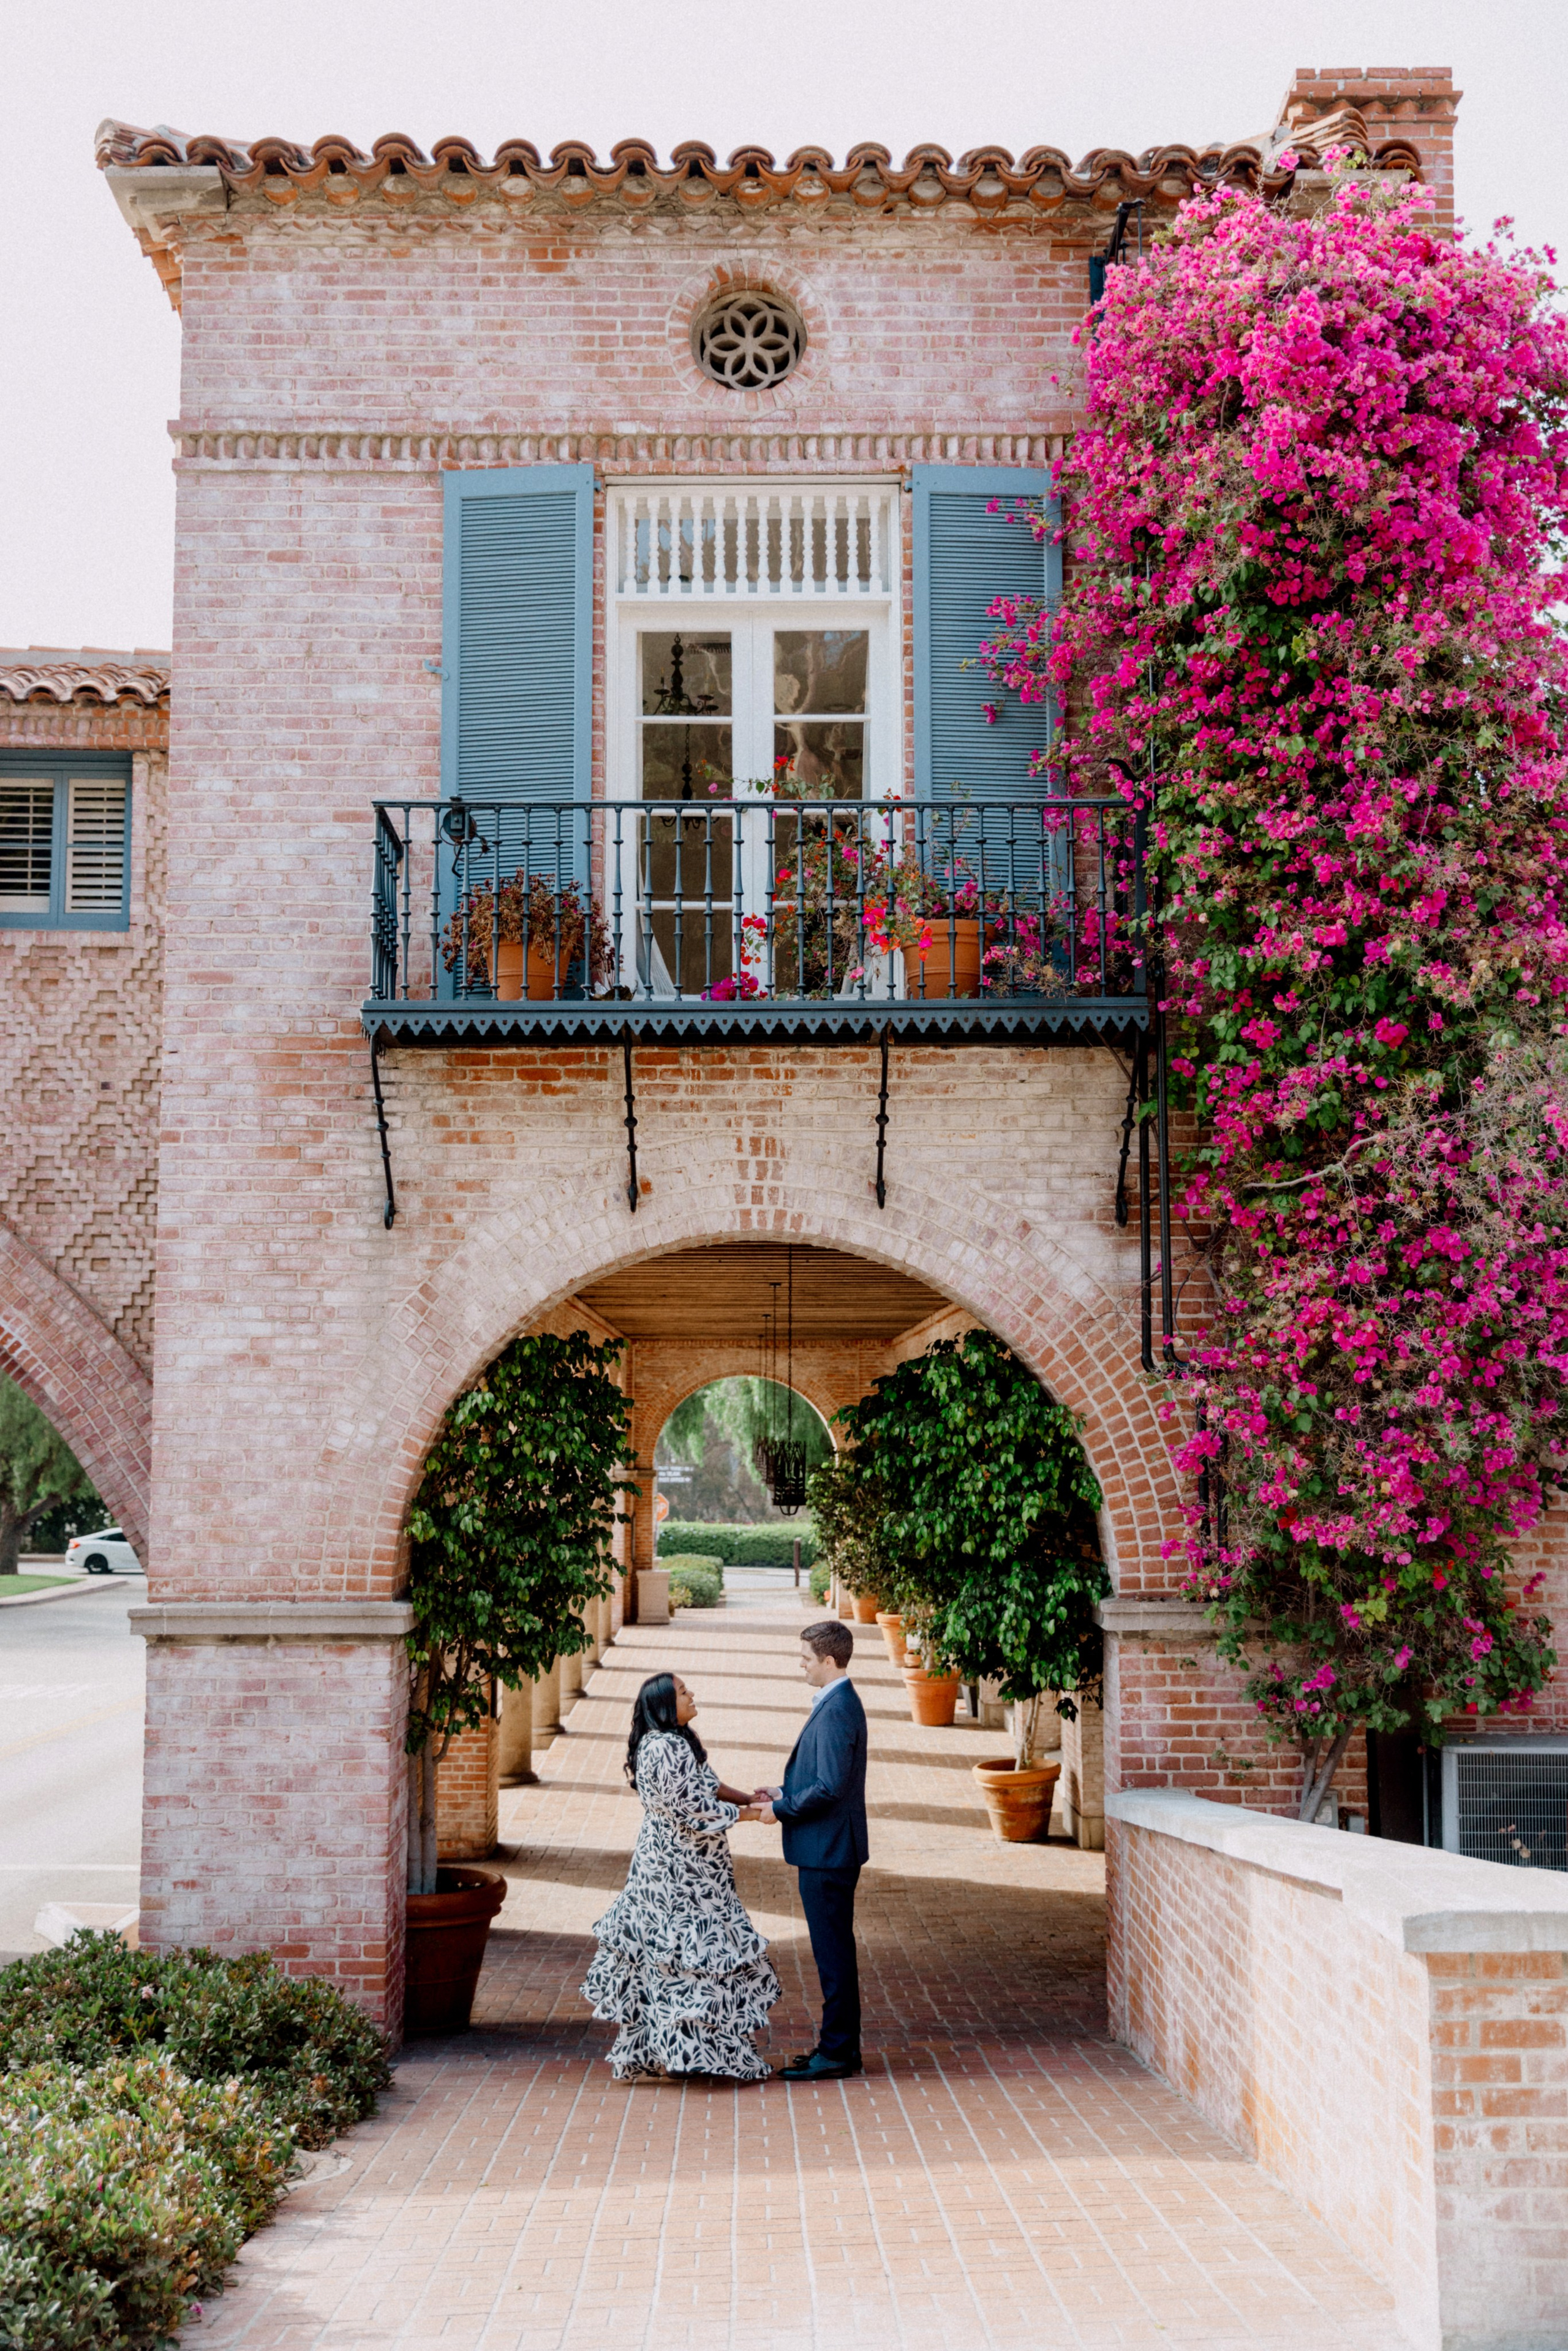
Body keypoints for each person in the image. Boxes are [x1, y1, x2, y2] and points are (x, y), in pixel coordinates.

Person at [584, 1669, 780, 2083]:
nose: (691, 1695)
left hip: (692, 1873)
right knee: (686, 1960)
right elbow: (692, 1810)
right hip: (678, 1878)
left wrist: (747, 1796)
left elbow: (707, 1783)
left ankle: (686, 2054)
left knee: (684, 1962)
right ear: (662, 1706)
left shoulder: (675, 1743)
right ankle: (684, 2055)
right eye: (682, 1692)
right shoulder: (663, 1748)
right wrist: (753, 1814)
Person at [758, 1618, 869, 2081]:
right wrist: (783, 1793)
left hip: (828, 1852)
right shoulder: (836, 1702)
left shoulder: (839, 1708)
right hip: (827, 1849)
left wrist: (781, 1811)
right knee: (832, 1953)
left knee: (833, 1956)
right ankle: (838, 2048)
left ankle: (839, 2053)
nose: (800, 1665)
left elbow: (829, 1787)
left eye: (806, 1658)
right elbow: (823, 1780)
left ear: (829, 1660)